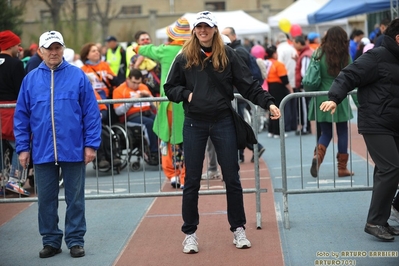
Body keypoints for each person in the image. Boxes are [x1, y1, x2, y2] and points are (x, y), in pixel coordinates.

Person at [164, 10, 281, 254]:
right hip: (194, 122)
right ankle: (190, 233)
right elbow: (170, 87)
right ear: (194, 30)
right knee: (192, 180)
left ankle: (239, 229)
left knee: (232, 177)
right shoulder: (184, 56)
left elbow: (249, 86)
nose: (203, 31)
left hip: (222, 121)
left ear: (215, 29)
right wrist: (187, 95)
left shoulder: (229, 54)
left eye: (207, 26)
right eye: (199, 27)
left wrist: (268, 102)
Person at [14, 30, 102, 258]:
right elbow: (21, 116)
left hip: (73, 148)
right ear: (40, 51)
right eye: (49, 48)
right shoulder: (30, 79)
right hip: (42, 150)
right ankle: (51, 240)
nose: (54, 52)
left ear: (63, 49)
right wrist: (23, 148)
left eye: (57, 47)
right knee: (45, 200)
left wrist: (91, 145)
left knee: (75, 198)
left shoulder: (78, 76)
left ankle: (75, 240)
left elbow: (91, 113)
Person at [319, 18, 399, 241]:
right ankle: (374, 221)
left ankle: (385, 216)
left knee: (389, 170)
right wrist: (335, 98)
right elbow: (349, 75)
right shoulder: (375, 57)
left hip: (394, 123)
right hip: (376, 122)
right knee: (391, 168)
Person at [135, 17, 191, 187]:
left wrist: (138, 46)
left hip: (168, 102)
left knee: (166, 138)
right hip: (188, 102)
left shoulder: (164, 50)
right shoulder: (192, 51)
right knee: (188, 140)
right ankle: (184, 176)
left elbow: (144, 49)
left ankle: (171, 174)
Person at [306, 26, 355, 178]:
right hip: (340, 96)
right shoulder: (345, 55)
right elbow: (353, 76)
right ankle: (342, 168)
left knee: (325, 132)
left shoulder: (319, 53)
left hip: (322, 96)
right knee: (342, 132)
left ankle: (317, 157)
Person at [221, 26, 266, 163]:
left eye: (226, 35)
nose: (223, 38)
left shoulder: (238, 51)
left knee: (237, 125)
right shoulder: (237, 50)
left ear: (234, 36)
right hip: (237, 94)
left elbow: (240, 76)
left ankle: (255, 146)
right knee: (237, 124)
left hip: (238, 94)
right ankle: (244, 152)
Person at [0, 30, 30, 196]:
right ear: (10, 45)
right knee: (20, 145)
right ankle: (14, 181)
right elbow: (22, 90)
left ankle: (2, 180)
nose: (19, 48)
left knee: (1, 147)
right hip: (11, 110)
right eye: (17, 44)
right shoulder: (16, 64)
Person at [112, 69, 159, 165]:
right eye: (134, 82)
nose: (136, 85)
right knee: (149, 124)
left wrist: (150, 97)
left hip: (147, 112)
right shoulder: (119, 90)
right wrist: (133, 100)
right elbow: (118, 111)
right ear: (128, 79)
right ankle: (154, 152)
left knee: (159, 120)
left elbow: (154, 106)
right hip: (131, 117)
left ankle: (163, 150)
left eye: (138, 83)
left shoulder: (144, 87)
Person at [265, 45, 293, 139]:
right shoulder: (278, 64)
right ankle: (278, 131)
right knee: (279, 108)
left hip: (268, 86)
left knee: (271, 107)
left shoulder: (266, 63)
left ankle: (271, 130)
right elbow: (284, 79)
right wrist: (291, 89)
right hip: (278, 88)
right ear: (274, 54)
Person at [292, 35, 312, 135]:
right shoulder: (305, 53)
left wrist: (301, 84)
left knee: (304, 107)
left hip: (304, 86)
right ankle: (306, 126)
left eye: (295, 43)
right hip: (305, 85)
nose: (294, 45)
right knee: (305, 107)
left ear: (299, 43)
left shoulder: (305, 55)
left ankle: (305, 127)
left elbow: (305, 72)